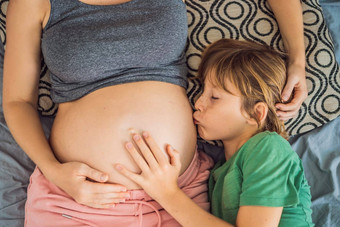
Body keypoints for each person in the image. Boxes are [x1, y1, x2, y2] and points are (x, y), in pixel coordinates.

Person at [2, 0, 307, 225]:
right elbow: (17, 102)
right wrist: (55, 171)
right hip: (77, 199)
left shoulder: (265, 153)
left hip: (179, 196)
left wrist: (297, 61)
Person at [116, 39, 314, 226]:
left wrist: (168, 194)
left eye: (215, 97)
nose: (198, 103)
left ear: (255, 113)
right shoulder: (219, 169)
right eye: (203, 92)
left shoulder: (269, 147)